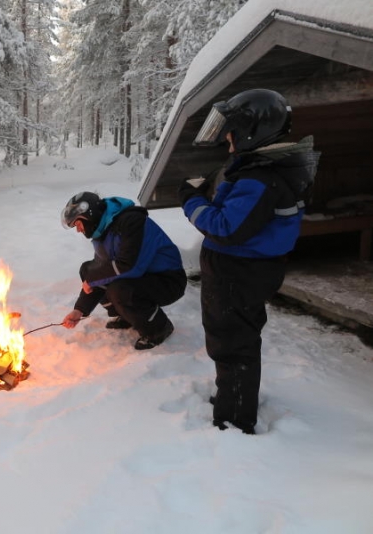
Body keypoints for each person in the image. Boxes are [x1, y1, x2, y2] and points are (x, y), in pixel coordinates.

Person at [180, 88, 320, 434]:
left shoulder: (260, 179)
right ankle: (233, 396)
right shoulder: (259, 170)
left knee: (232, 345)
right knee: (234, 340)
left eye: (231, 133)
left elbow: (225, 228)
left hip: (237, 273)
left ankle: (235, 419)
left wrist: (191, 201)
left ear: (250, 131)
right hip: (242, 271)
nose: (227, 139)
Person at [60, 192, 187, 350]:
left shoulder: (132, 222)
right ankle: (127, 315)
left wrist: (92, 279)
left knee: (120, 289)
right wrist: (79, 310)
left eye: (78, 224)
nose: (78, 230)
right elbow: (101, 269)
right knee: (88, 270)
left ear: (89, 215)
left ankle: (158, 329)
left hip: (168, 279)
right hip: (144, 277)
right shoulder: (103, 231)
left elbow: (129, 265)